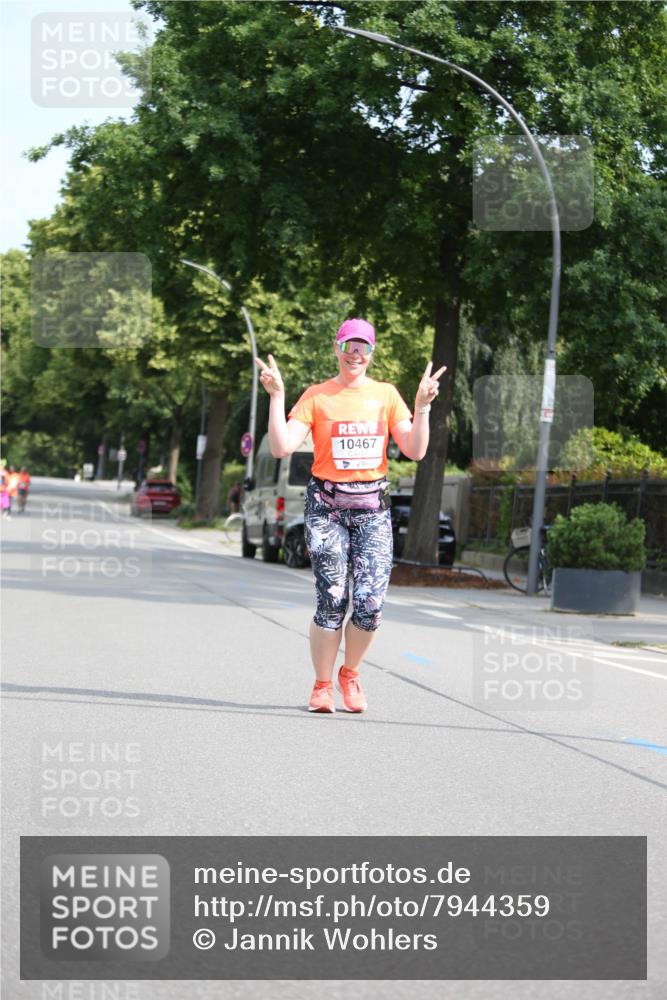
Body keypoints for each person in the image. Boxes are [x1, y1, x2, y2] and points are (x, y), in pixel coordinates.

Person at [255, 318, 446, 715]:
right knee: (332, 598)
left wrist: (423, 408)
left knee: (370, 603)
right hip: (326, 507)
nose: (355, 353)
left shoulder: (386, 395)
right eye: (349, 345)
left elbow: (414, 450)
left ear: (371, 353)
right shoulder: (316, 396)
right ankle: (322, 685)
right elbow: (281, 446)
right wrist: (277, 397)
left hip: (372, 509)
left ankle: (351, 672)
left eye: (363, 347)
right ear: (336, 348)